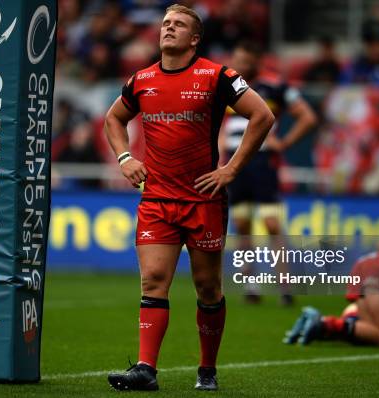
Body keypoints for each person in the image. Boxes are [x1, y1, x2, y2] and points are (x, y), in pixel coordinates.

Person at [103, 4, 275, 391]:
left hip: (203, 199)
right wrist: (126, 156)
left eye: (178, 24)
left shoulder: (218, 76)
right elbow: (113, 119)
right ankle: (146, 369)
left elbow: (262, 116)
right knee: (154, 281)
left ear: (194, 38)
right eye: (165, 22)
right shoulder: (141, 79)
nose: (168, 28)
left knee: (208, 288)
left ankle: (207, 369)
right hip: (157, 200)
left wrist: (230, 170)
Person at [221, 41, 317, 305]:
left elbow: (307, 117)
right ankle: (251, 285)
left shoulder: (275, 87)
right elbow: (219, 124)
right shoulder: (225, 87)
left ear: (255, 61)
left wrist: (284, 143)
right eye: (236, 58)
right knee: (242, 225)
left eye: (244, 59)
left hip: (263, 162)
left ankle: (284, 286)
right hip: (233, 162)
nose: (239, 64)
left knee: (272, 225)